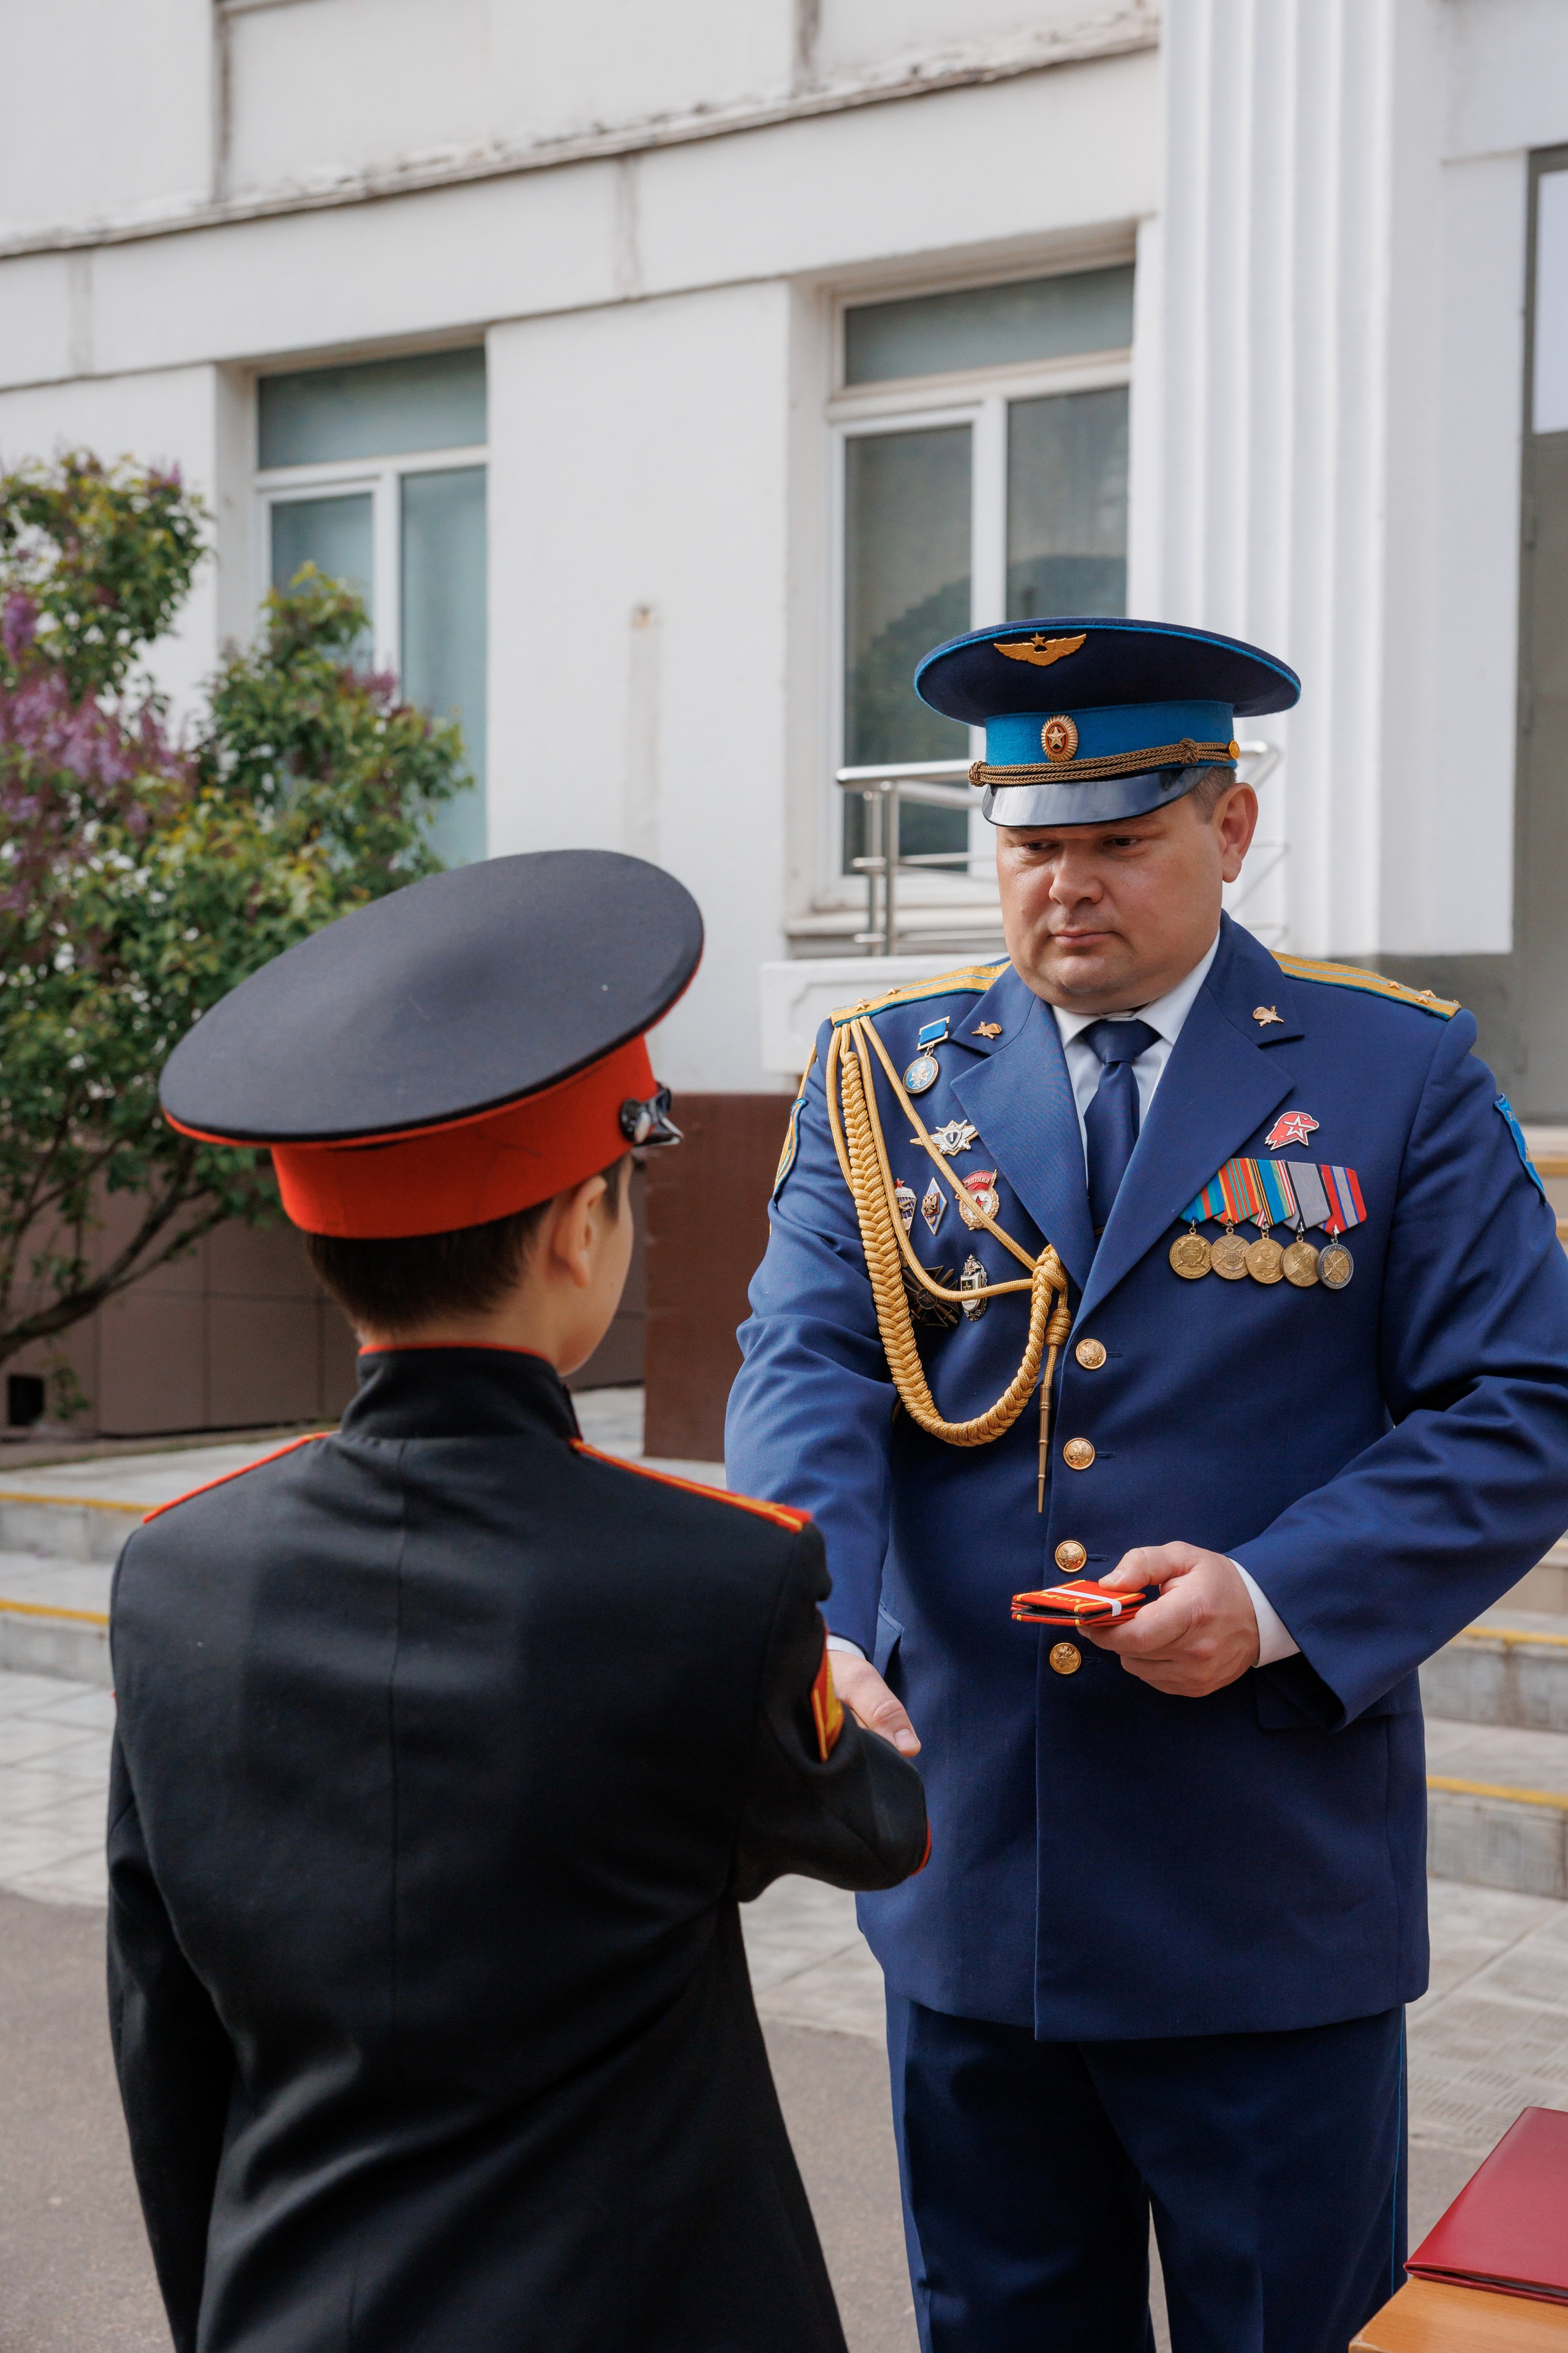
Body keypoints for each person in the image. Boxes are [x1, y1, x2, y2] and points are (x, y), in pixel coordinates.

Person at [726, 618, 1568, 2353]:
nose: (1066, 890)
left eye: (1119, 840)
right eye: (1033, 846)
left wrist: (1274, 1600)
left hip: (1259, 1895)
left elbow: (1525, 1397)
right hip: (974, 1880)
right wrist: (806, 1613)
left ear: (1230, 826)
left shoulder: (1387, 1072)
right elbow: (808, 1361)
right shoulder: (886, 1082)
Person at [107, 848, 929, 2353]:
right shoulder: (714, 1573)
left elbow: (165, 2038)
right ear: (576, 1231)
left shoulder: (173, 1572)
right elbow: (875, 1826)